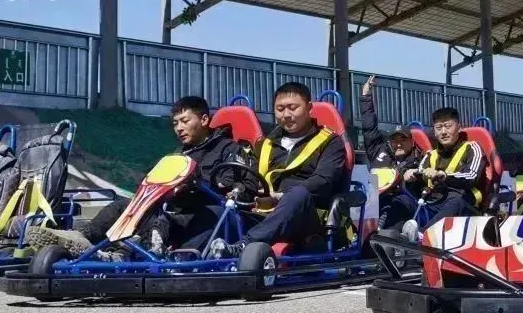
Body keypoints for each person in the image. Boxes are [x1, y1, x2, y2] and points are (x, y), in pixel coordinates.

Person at [27, 96, 253, 258]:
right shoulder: (177, 155)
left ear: (204, 120)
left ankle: (138, 252)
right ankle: (81, 239)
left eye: (185, 121)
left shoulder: (228, 149)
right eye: (175, 123)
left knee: (184, 213)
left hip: (205, 211)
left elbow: (240, 186)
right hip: (171, 210)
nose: (179, 128)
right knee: (121, 206)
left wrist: (196, 184)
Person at [211, 82, 347, 258]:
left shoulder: (330, 142)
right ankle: (191, 254)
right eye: (280, 109)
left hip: (307, 217)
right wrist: (239, 191)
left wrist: (279, 197)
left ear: (309, 108)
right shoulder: (265, 144)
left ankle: (244, 245)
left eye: (293, 108)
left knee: (298, 193)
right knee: (217, 208)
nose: (286, 115)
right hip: (265, 214)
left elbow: (324, 180)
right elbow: (251, 177)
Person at [386, 106, 485, 242]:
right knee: (402, 200)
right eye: (439, 128)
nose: (443, 132)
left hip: (463, 204)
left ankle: (422, 237)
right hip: (433, 204)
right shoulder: (430, 155)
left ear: (459, 128)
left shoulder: (472, 148)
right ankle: (390, 237)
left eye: (448, 126)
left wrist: (444, 176)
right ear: (434, 132)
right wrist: (411, 176)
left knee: (456, 201)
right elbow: (420, 173)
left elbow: (471, 176)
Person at [358, 75, 426, 228]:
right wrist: (366, 96)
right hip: (375, 201)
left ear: (411, 141)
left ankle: (381, 229)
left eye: (403, 140)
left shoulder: (420, 159)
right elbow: (369, 128)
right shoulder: (378, 151)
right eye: (395, 140)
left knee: (398, 203)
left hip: (406, 204)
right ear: (389, 142)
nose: (399, 144)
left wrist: (413, 175)